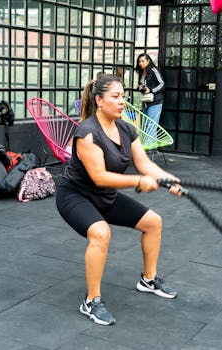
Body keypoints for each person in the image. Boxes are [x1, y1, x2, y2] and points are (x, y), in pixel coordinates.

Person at [56, 74, 181, 326]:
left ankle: (149, 279)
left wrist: (167, 178)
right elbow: (100, 177)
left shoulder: (126, 128)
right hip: (75, 196)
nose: (122, 101)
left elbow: (143, 163)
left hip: (105, 197)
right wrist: (138, 182)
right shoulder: (87, 134)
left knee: (153, 222)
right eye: (115, 96)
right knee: (101, 233)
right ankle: (91, 300)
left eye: (123, 96)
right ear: (99, 100)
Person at [135, 53, 165, 137]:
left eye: (142, 61)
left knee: (151, 125)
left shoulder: (154, 70)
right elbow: (143, 86)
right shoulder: (142, 72)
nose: (140, 63)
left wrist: (150, 90)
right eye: (139, 61)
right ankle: (149, 147)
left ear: (148, 61)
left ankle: (152, 149)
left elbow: (162, 84)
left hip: (155, 101)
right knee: (146, 125)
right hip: (146, 101)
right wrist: (140, 88)